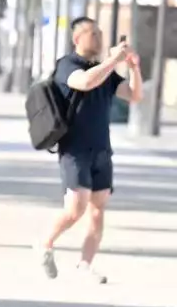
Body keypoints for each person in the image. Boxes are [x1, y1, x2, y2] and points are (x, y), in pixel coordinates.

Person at [37, 17, 143, 283]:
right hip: (75, 149)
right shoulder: (67, 65)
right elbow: (83, 82)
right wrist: (112, 62)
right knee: (76, 208)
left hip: (102, 149)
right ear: (77, 39)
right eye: (92, 33)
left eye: (100, 33)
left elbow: (134, 95)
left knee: (98, 208)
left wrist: (134, 68)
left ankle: (86, 263)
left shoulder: (105, 71)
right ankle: (45, 243)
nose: (98, 38)